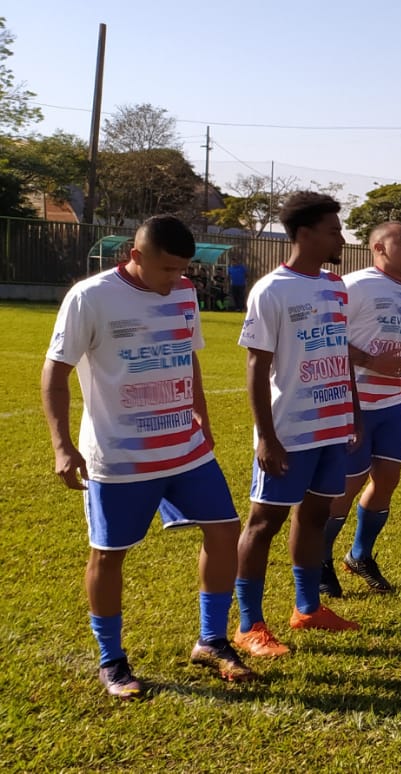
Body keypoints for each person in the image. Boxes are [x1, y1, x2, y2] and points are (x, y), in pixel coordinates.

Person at [43, 215, 256, 698]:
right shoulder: (90, 297)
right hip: (119, 457)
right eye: (166, 269)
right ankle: (112, 660)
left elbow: (188, 353)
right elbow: (54, 374)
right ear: (134, 257)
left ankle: (212, 639)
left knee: (225, 531)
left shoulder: (183, 294)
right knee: (109, 553)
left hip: (185, 446)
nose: (176, 280)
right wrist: (61, 446)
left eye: (183, 270)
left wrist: (200, 413)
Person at [234, 192, 361, 660]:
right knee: (264, 522)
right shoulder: (272, 290)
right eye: (333, 230)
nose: (341, 239)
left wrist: (354, 413)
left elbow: (339, 351)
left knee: (315, 515)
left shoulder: (335, 287)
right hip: (289, 431)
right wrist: (266, 436)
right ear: (304, 234)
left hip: (332, 425)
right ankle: (249, 625)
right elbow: (255, 365)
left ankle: (307, 608)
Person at [321, 222, 401, 597]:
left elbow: (397, 340)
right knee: (347, 486)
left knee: (387, 480)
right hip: (356, 403)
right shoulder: (354, 286)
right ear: (378, 248)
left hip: (393, 404)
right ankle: (319, 558)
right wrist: (369, 360)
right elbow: (330, 336)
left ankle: (359, 555)